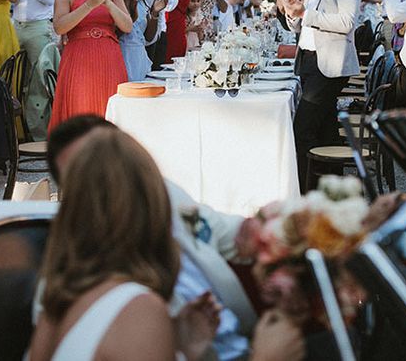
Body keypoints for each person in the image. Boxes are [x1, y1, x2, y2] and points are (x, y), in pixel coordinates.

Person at [44, 115, 258, 359]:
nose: (107, 184)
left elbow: (219, 228)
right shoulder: (132, 304)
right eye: (86, 175)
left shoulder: (167, 197)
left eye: (111, 166)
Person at [277, 0, 363, 192]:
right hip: (308, 61)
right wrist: (290, 11)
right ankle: (332, 191)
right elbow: (300, 25)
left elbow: (347, 22)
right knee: (325, 129)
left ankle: (303, 193)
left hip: (330, 65)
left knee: (301, 131)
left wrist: (304, 12)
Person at [48, 0, 132, 129]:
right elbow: (60, 27)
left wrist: (107, 2)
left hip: (109, 58)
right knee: (81, 106)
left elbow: (127, 26)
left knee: (109, 108)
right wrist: (89, 5)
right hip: (78, 59)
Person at [105, 0, 165, 81]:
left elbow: (148, 37)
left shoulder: (140, 1)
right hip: (119, 57)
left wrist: (155, 12)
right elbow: (114, 35)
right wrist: (131, 16)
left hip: (139, 59)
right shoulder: (109, 1)